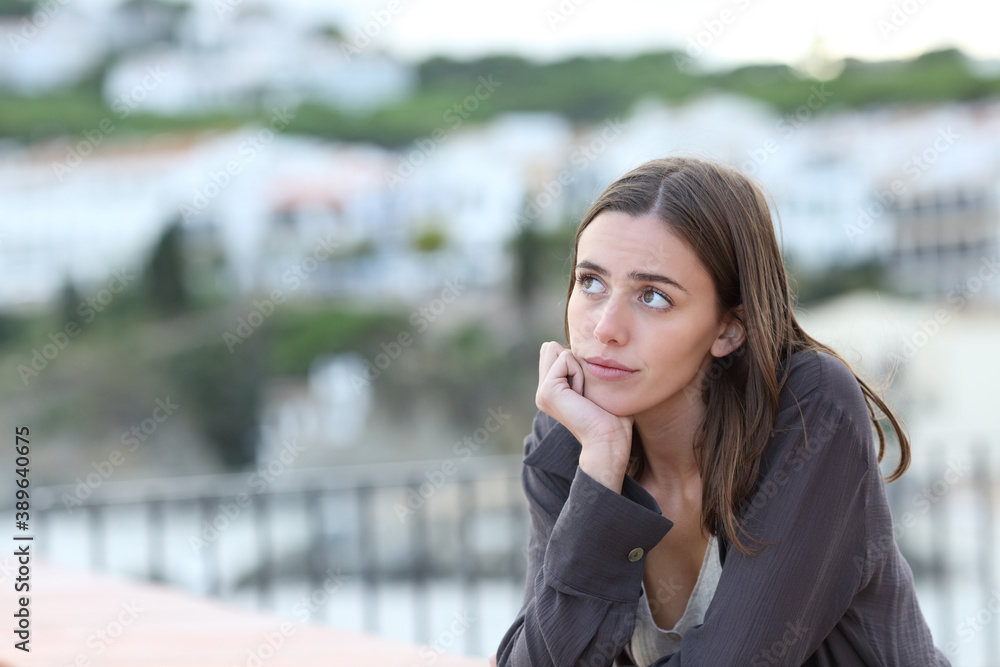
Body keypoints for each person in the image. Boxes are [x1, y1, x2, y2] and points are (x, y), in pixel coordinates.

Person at [490, 156, 950, 666]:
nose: (605, 328)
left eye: (653, 297)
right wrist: (600, 469)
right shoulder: (571, 433)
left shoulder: (808, 407)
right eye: (591, 282)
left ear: (730, 328)